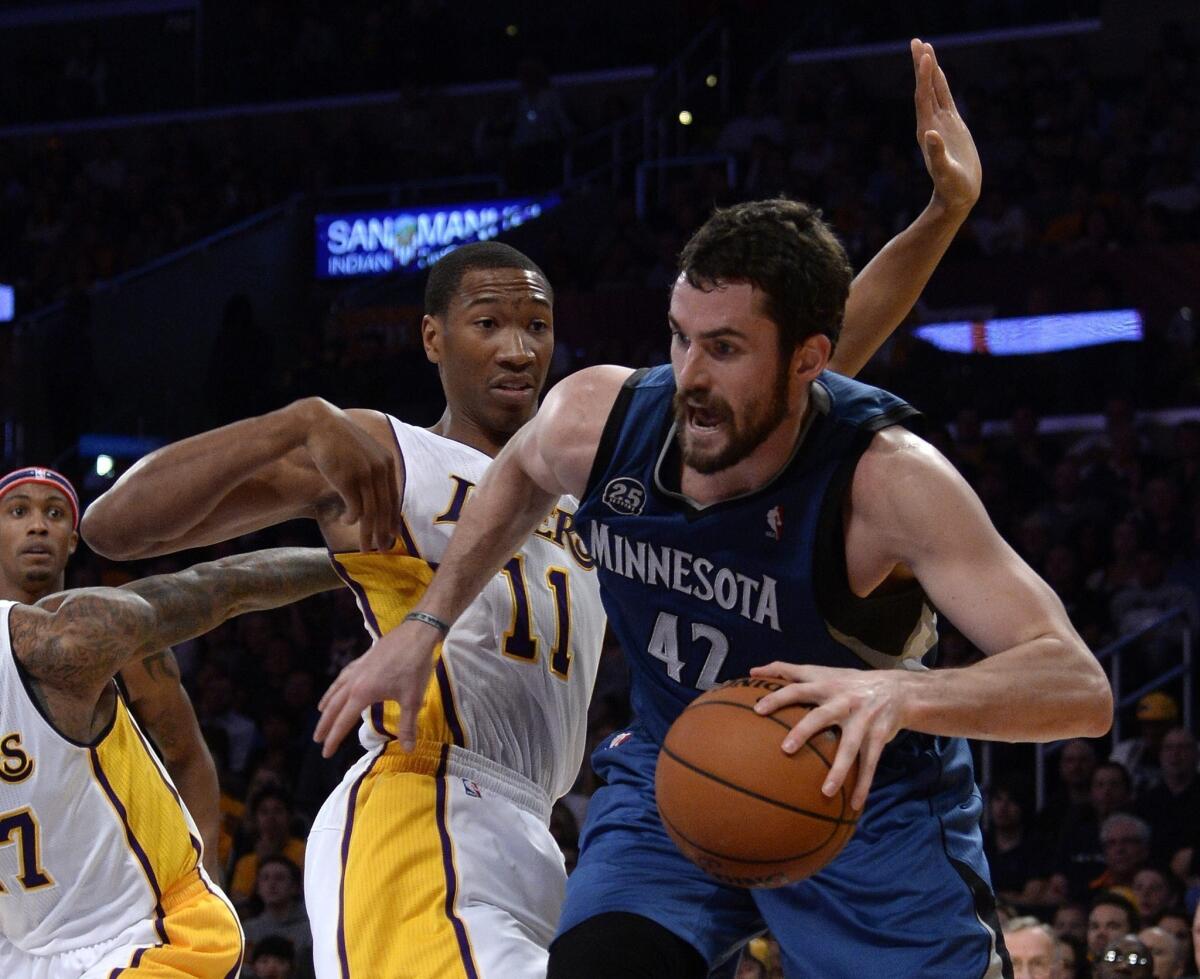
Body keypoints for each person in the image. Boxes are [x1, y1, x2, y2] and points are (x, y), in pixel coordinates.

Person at [83, 38, 984, 979]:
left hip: (542, 828)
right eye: (489, 323)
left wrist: (942, 212)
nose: (519, 348)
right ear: (431, 337)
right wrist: (294, 424)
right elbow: (119, 527)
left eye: (538, 326)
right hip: (420, 806)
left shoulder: (607, 464)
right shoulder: (385, 453)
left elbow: (812, 364)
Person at [313, 208, 1111, 977]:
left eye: (724, 347)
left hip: (867, 808)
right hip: (678, 771)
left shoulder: (890, 482)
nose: (689, 375)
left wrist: (897, 694)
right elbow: (519, 475)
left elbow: (1076, 685)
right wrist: (425, 623)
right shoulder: (603, 420)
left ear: (808, 359)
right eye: (680, 336)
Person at [0, 546, 339, 977]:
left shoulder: (57, 649)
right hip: (21, 949)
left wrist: (352, 563)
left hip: (149, 931)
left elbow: (219, 585)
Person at [0, 466, 222, 875]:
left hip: (113, 904)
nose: (37, 527)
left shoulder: (118, 640)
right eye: (18, 512)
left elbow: (187, 757)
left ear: (72, 541)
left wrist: (206, 872)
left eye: (54, 513)